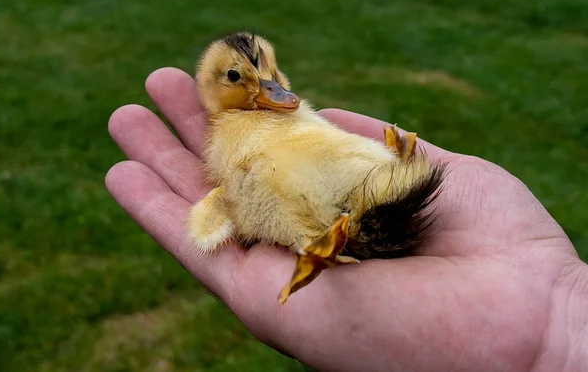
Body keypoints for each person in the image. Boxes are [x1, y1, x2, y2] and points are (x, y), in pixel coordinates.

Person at [105, 67, 587, 372]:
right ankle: (329, 230)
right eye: (242, 77)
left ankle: (341, 224)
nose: (270, 86)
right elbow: (222, 211)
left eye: (270, 71)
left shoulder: (278, 125)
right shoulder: (242, 139)